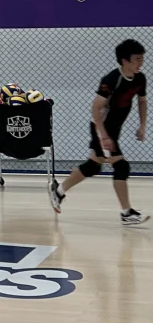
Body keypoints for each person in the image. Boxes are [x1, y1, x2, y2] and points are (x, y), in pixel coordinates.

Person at [51, 38, 148, 226]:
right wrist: (103, 135)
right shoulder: (111, 80)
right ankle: (126, 213)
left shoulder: (140, 78)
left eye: (142, 59)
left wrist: (142, 125)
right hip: (101, 127)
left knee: (93, 166)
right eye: (137, 59)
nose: (141, 63)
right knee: (121, 167)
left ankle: (59, 191)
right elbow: (95, 108)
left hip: (114, 128)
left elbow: (142, 101)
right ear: (124, 61)